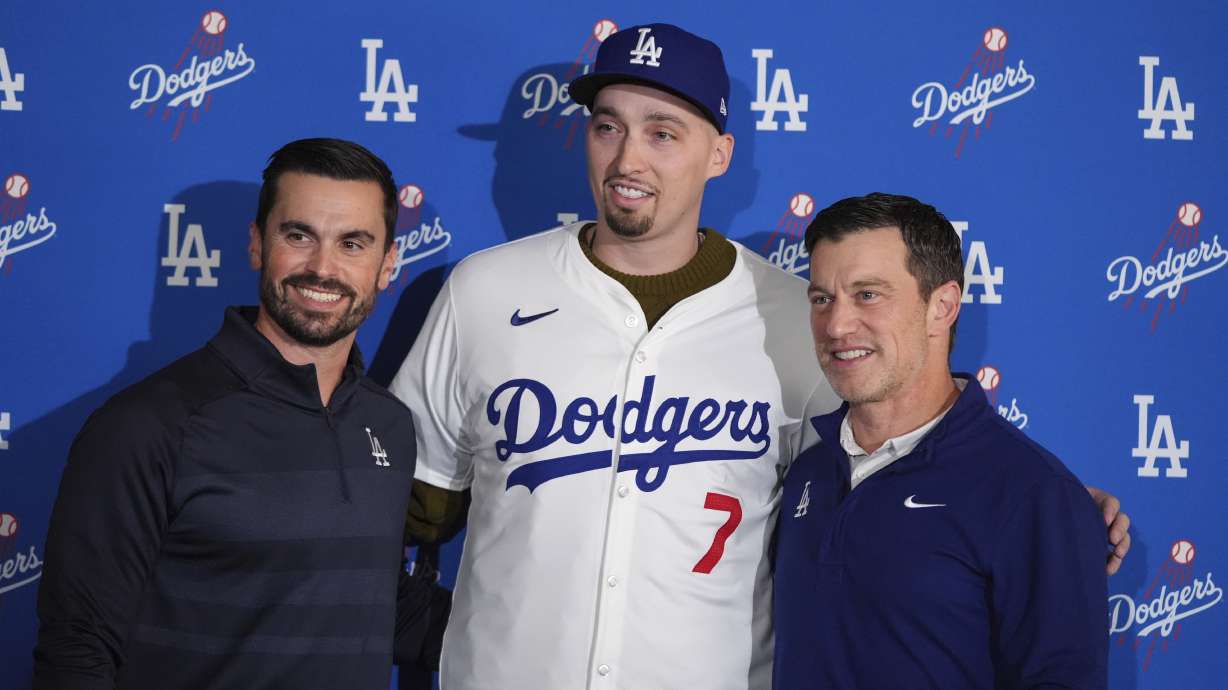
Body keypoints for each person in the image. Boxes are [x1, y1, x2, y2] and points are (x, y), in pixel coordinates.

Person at [391, 24, 1128, 690]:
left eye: (663, 133)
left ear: (720, 154)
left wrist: (1050, 514)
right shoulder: (484, 290)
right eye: (607, 125)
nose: (627, 157)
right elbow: (407, 497)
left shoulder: (794, 311)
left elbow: (900, 445)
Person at [34, 138, 448, 690]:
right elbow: (78, 647)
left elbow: (374, 601)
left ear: (387, 264)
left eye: (353, 243)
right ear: (257, 245)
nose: (322, 268)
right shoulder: (149, 425)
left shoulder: (390, 425)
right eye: (298, 235)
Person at [773, 193, 1108, 689]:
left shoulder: (1033, 494)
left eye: (868, 294)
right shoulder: (808, 473)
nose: (837, 325)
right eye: (822, 298)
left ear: (942, 307)